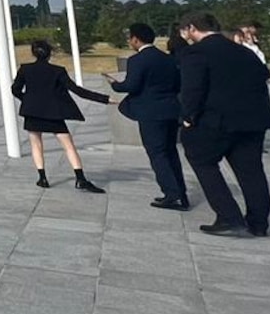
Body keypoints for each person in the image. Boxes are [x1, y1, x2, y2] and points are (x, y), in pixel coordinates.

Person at [176, 9, 270, 236]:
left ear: (192, 28)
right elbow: (263, 80)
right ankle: (258, 223)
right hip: (252, 120)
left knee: (202, 161)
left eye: (185, 30)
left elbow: (193, 90)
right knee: (251, 171)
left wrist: (187, 118)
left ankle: (229, 216)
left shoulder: (196, 54)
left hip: (215, 121)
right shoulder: (246, 52)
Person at [10, 40, 110, 192]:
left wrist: (28, 100)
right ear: (50, 54)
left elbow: (15, 89)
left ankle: (42, 178)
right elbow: (77, 91)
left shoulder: (25, 69)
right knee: (68, 145)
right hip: (53, 113)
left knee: (36, 143)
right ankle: (80, 178)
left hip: (33, 112)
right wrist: (105, 99)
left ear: (33, 53)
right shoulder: (58, 71)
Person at [108, 22, 188, 210]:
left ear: (136, 39)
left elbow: (131, 85)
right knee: (170, 152)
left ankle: (172, 194)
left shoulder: (137, 60)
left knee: (157, 154)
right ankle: (180, 192)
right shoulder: (168, 59)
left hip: (151, 114)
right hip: (170, 110)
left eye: (130, 38)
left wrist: (115, 85)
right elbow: (177, 84)